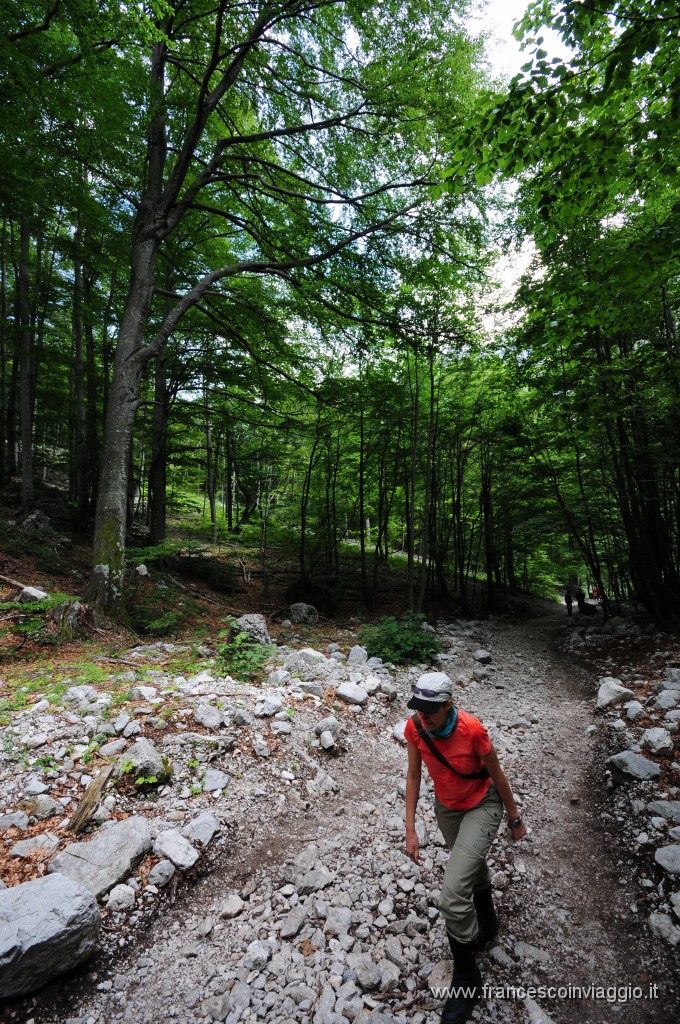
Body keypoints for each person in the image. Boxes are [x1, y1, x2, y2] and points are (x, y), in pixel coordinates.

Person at [404, 672, 526, 1024]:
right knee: (469, 864)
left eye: (431, 712)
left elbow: (497, 774)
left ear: (449, 705)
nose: (423, 718)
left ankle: (468, 977)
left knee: (453, 893)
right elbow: (413, 775)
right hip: (447, 808)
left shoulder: (472, 730)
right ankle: (487, 921)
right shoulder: (416, 728)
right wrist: (411, 828)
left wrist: (514, 818)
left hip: (483, 804)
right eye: (419, 711)